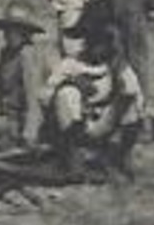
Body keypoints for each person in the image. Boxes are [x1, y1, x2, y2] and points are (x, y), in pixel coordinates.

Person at [42, 22, 143, 180]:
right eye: (95, 44)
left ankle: (121, 157)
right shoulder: (71, 65)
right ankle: (73, 159)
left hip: (104, 122)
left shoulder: (116, 66)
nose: (99, 49)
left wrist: (120, 91)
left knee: (129, 99)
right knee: (67, 93)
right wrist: (73, 84)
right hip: (77, 124)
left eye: (103, 45)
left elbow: (135, 94)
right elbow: (45, 95)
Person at [0, 0, 47, 148]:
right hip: (9, 116)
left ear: (26, 33)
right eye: (8, 30)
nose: (10, 34)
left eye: (17, 30)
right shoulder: (5, 54)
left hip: (26, 118)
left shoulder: (27, 55)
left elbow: (33, 97)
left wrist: (30, 133)